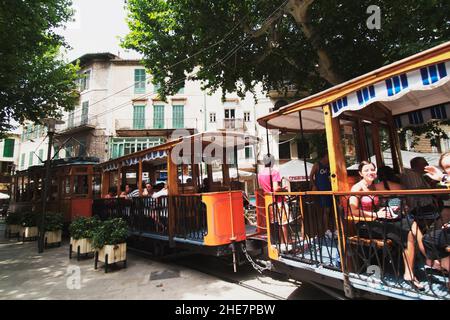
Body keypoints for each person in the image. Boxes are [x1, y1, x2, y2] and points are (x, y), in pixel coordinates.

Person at [349, 161, 426, 290]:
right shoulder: (357, 188)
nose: (370, 172)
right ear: (360, 173)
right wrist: (375, 214)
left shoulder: (374, 187)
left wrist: (395, 210)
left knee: (411, 224)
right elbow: (353, 210)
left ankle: (419, 265)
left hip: (380, 221)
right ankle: (412, 272)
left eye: (372, 170)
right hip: (365, 225)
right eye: (366, 170)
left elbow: (382, 206)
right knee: (407, 233)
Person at [310, 152, 334, 237]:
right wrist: (314, 185)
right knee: (326, 210)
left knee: (332, 210)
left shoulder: (331, 165)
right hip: (322, 191)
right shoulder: (317, 164)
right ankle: (326, 230)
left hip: (331, 190)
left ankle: (333, 229)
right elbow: (311, 176)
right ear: (325, 155)